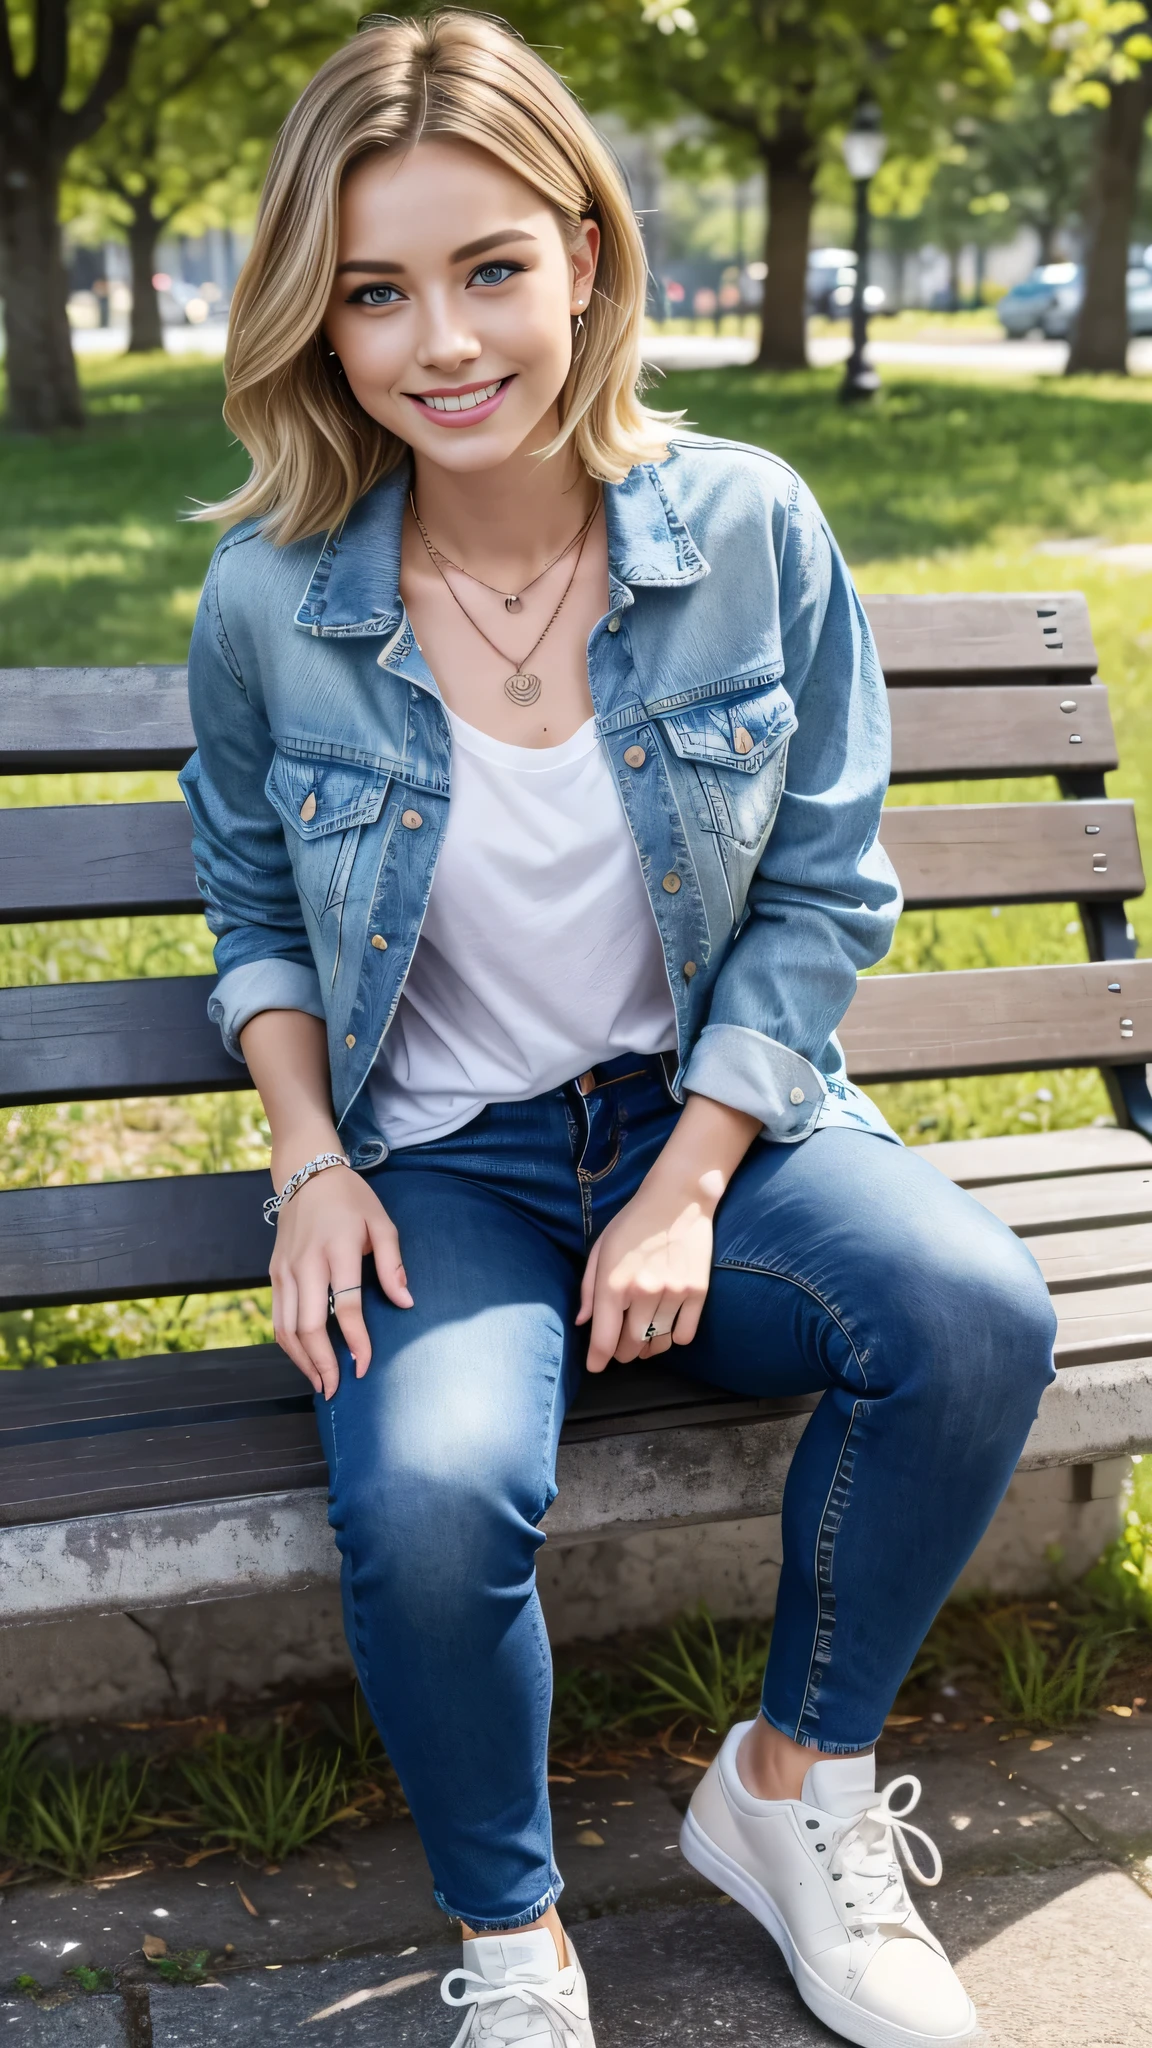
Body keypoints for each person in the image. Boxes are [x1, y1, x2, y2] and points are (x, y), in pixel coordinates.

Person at [180, 14, 1057, 2046]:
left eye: (489, 268)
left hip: (715, 1134)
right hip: (446, 1164)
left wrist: (686, 1180)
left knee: (968, 1308)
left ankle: (791, 1792)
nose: (444, 343)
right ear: (319, 323)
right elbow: (252, 911)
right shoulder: (270, 597)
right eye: (376, 294)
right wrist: (308, 1162)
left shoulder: (749, 527)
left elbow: (829, 886)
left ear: (587, 249)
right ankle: (516, 1940)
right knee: (426, 1493)